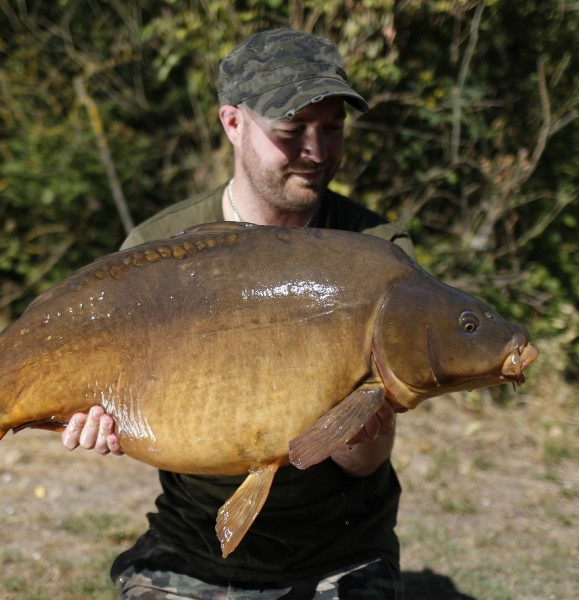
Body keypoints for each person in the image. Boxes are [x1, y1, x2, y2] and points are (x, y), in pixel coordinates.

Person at [62, 28, 415, 599]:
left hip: (339, 549)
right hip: (191, 545)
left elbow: (367, 461)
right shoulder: (157, 248)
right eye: (292, 131)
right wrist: (103, 421)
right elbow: (149, 421)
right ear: (233, 123)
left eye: (332, 128)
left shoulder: (376, 252)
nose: (318, 152)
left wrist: (352, 425)